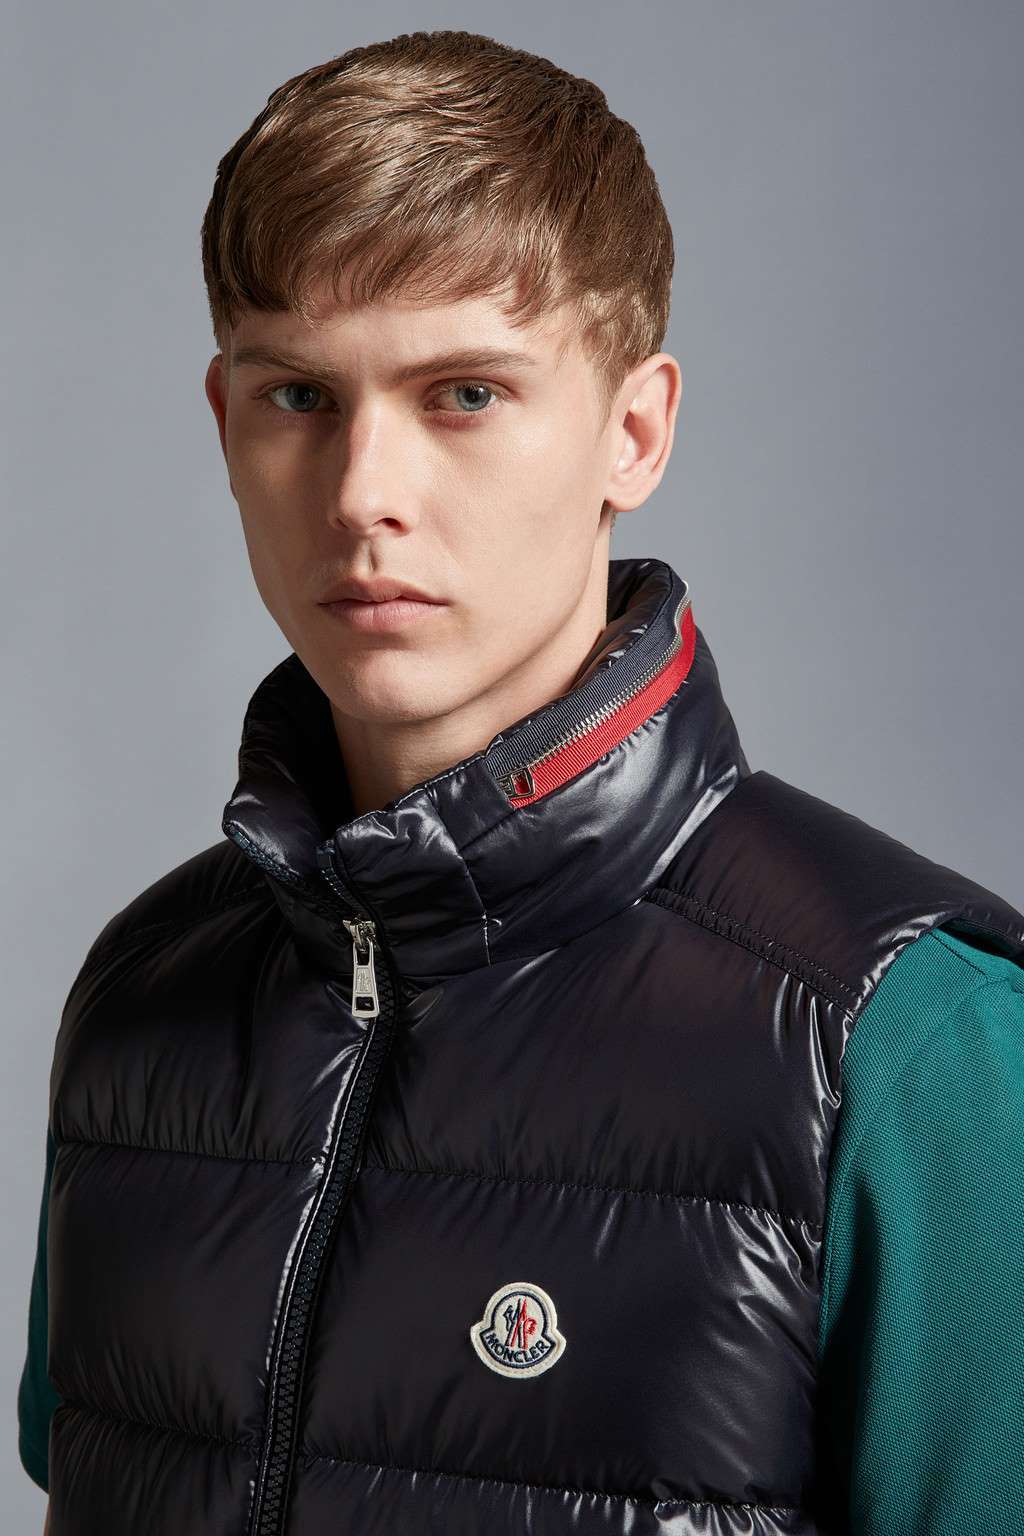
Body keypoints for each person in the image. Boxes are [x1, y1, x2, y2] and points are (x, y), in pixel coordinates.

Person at [18, 28, 1024, 1534]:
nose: (365, 495)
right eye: (300, 397)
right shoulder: (140, 1000)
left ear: (635, 431)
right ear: (223, 423)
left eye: (466, 395)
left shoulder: (913, 1042)